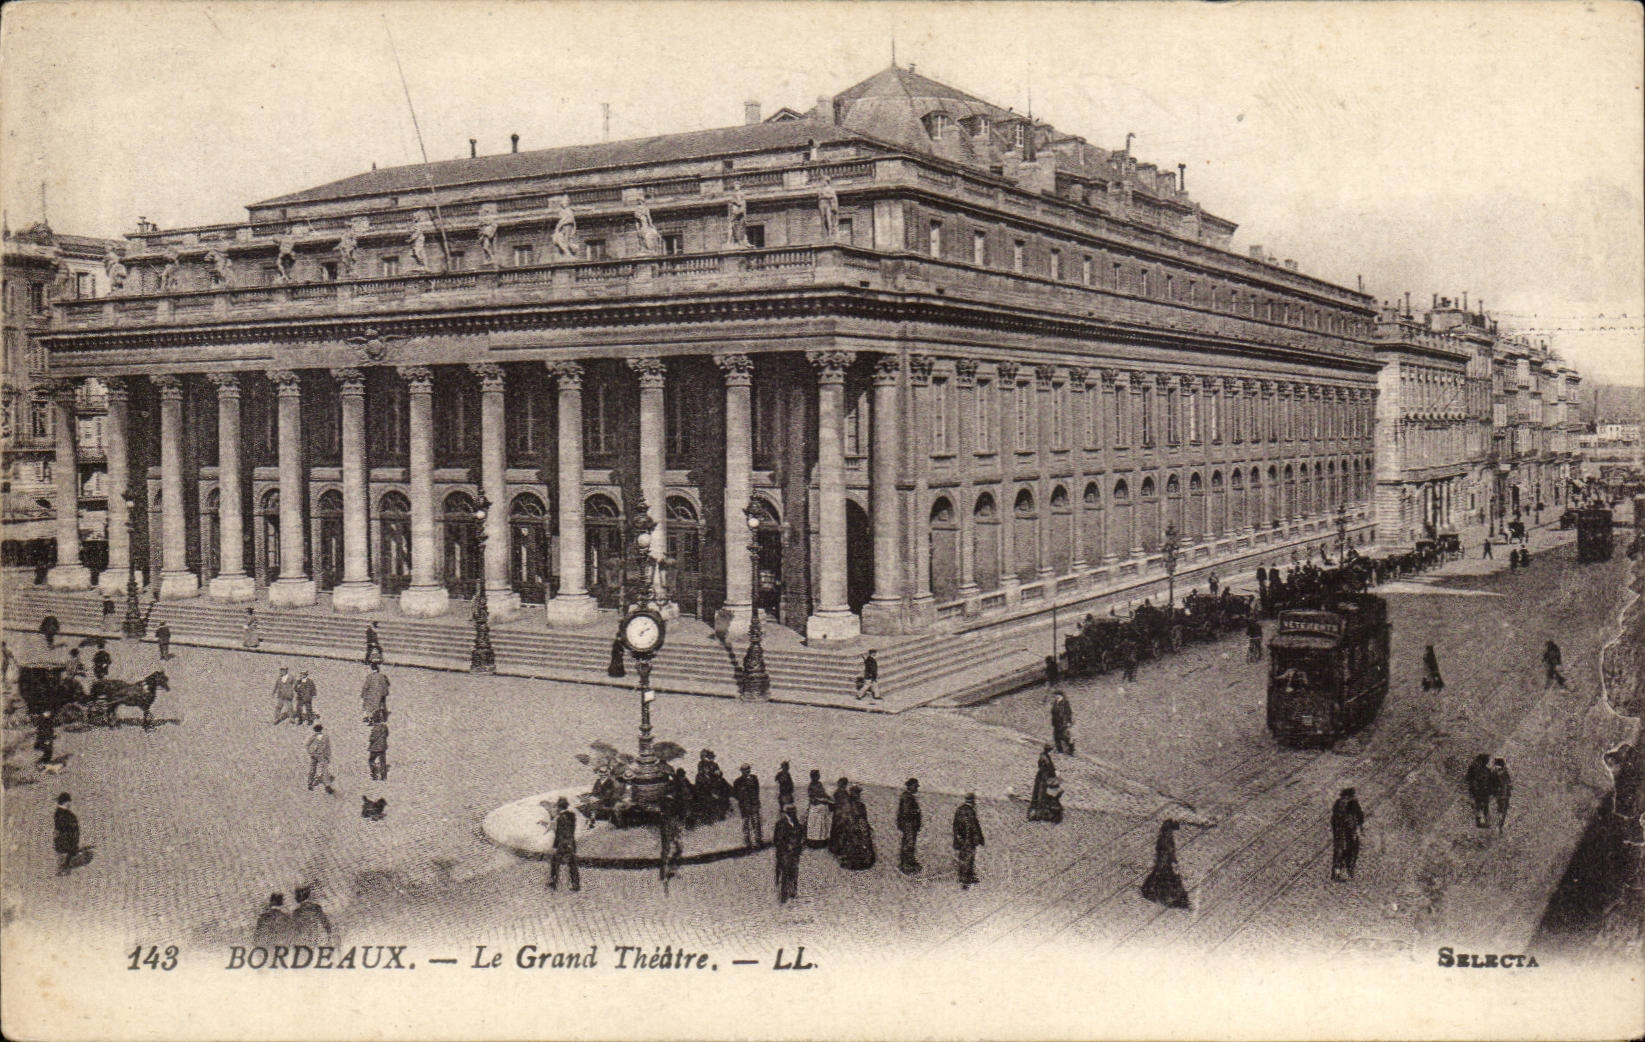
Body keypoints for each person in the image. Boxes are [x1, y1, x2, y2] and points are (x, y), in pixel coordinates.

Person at [1140, 819, 1191, 909]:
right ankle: (1167, 829)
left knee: (1165, 854)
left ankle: (1167, 829)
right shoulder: (1172, 894)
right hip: (1164, 876)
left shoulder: (1172, 893)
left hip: (1164, 875)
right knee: (1165, 853)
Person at [545, 796, 581, 892]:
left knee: (555, 861)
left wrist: (555, 845)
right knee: (572, 863)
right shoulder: (572, 816)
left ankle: (553, 882)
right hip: (571, 842)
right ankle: (576, 884)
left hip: (563, 843)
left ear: (559, 807)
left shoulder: (560, 818)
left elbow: (559, 833)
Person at [836, 785, 877, 870]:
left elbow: (863, 818)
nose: (857, 796)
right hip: (854, 828)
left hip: (854, 827)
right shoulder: (857, 805)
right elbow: (861, 818)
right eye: (857, 794)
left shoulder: (853, 805)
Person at [1330, 787, 1365, 881]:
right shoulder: (1351, 803)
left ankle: (1339, 872)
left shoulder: (1339, 803)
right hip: (1346, 831)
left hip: (1342, 831)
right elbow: (1360, 815)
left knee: (1341, 851)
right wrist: (1359, 827)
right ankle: (1345, 871)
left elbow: (1333, 820)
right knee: (1348, 851)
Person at [952, 793, 985, 889]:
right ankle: (966, 880)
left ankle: (963, 877)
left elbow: (955, 825)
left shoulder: (959, 809)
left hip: (961, 839)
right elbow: (973, 826)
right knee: (969, 858)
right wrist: (979, 838)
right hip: (968, 839)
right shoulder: (970, 811)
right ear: (973, 801)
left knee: (962, 857)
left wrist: (957, 838)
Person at [773, 804, 804, 903]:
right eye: (791, 812)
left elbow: (800, 835)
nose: (793, 814)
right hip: (784, 853)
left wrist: (799, 846)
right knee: (785, 872)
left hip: (795, 852)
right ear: (786, 813)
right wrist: (786, 847)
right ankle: (784, 894)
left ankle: (793, 891)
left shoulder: (796, 823)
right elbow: (777, 840)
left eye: (794, 812)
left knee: (794, 871)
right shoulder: (780, 824)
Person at [733, 764, 763, 849]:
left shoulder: (754, 778)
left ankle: (758, 841)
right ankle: (747, 843)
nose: (746, 771)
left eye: (748, 769)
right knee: (746, 824)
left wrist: (756, 802)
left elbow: (757, 791)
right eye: (744, 770)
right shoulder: (737, 781)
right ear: (741, 771)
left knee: (756, 823)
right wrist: (742, 800)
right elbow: (736, 794)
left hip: (754, 805)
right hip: (744, 806)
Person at [896, 778, 923, 875]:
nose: (917, 788)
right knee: (909, 845)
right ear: (910, 786)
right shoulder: (907, 797)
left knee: (908, 844)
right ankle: (907, 866)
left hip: (909, 825)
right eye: (915, 786)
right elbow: (906, 812)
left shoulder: (907, 796)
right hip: (909, 825)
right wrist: (916, 812)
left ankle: (907, 864)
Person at [1028, 746, 1059, 822]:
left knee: (1040, 795)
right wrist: (1053, 774)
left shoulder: (1044, 756)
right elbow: (1049, 767)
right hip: (1043, 778)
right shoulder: (1045, 758)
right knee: (1041, 795)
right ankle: (1039, 814)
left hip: (1042, 777)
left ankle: (1037, 813)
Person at [805, 770, 834, 849]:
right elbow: (812, 799)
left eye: (818, 775)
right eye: (816, 775)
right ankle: (813, 842)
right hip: (815, 807)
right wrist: (823, 801)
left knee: (821, 825)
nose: (818, 777)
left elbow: (823, 793)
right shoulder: (811, 786)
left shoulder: (819, 784)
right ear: (812, 777)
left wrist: (829, 798)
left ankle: (822, 841)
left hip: (821, 807)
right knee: (815, 825)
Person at [53, 793, 81, 875]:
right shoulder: (67, 815)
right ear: (66, 802)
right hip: (67, 838)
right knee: (66, 853)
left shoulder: (57, 813)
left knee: (62, 853)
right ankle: (63, 869)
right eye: (69, 802)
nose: (70, 804)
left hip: (61, 838)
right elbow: (69, 827)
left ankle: (62, 868)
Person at [306, 724, 336, 795]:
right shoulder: (323, 737)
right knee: (323, 770)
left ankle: (311, 783)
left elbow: (307, 745)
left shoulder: (315, 737)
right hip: (320, 755)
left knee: (314, 769)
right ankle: (326, 785)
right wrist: (327, 756)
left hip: (318, 755)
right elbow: (327, 748)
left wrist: (311, 753)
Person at [1465, 753, 1493, 828]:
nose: (1487, 762)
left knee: (1483, 806)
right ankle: (1481, 822)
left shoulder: (1486, 770)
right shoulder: (1478, 770)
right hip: (1479, 791)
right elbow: (1472, 780)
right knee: (1481, 806)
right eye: (1487, 760)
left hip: (1483, 791)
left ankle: (1484, 821)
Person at [1050, 690, 1075, 755]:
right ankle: (1060, 750)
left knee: (1065, 737)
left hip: (1063, 722)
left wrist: (1068, 721)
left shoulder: (1065, 703)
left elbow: (1069, 713)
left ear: (1061, 695)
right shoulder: (1055, 702)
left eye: (1057, 695)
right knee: (1056, 737)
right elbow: (1053, 712)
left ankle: (1071, 750)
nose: (1055, 696)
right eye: (1055, 695)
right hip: (1056, 722)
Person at [1490, 758, 1512, 830]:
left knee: (1497, 809)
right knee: (1502, 810)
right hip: (1504, 795)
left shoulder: (1493, 772)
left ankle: (1497, 825)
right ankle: (1500, 825)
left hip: (1496, 795)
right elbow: (1509, 784)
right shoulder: (1505, 772)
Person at [367, 710, 389, 781]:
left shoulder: (375, 728)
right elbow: (387, 734)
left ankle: (374, 774)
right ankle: (383, 776)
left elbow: (372, 738)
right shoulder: (384, 727)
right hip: (383, 747)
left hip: (375, 748)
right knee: (383, 762)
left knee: (371, 760)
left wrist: (371, 739)